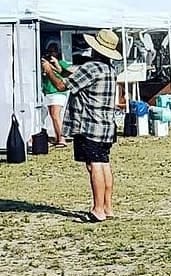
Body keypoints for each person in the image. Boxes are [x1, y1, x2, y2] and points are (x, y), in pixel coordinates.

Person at [40, 29, 121, 223]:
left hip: (89, 125)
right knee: (104, 164)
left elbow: (62, 86)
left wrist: (50, 71)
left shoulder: (91, 67)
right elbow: (77, 75)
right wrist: (60, 68)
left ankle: (97, 210)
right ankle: (107, 207)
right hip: (106, 125)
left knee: (95, 166)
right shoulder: (109, 69)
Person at [41, 43, 73, 148]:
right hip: (48, 91)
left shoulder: (62, 63)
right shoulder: (44, 63)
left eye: (53, 51)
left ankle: (62, 139)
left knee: (55, 115)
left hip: (58, 92)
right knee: (52, 116)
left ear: (57, 52)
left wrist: (53, 66)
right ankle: (57, 137)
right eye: (48, 52)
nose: (50, 54)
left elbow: (67, 73)